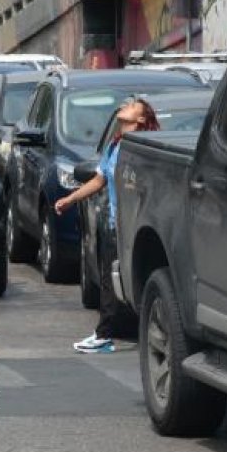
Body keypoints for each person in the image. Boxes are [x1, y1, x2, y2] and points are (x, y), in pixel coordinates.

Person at [55, 97, 161, 354]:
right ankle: (104, 334)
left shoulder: (144, 148)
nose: (126, 104)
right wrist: (69, 199)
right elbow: (99, 180)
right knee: (108, 280)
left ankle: (111, 334)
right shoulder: (115, 145)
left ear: (141, 119)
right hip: (116, 224)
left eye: (133, 104)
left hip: (137, 225)